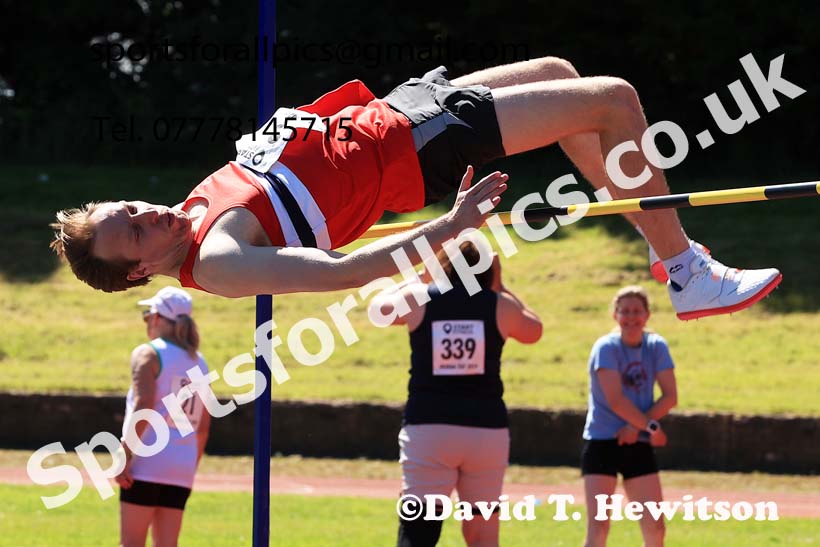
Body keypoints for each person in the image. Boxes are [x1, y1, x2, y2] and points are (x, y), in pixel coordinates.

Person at [51, 58, 780, 320]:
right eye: (135, 231)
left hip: (398, 110)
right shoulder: (216, 258)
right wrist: (453, 225)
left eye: (129, 208)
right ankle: (685, 271)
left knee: (562, 70)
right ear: (142, 270)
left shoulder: (187, 212)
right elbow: (347, 270)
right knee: (614, 101)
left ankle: (667, 253)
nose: (146, 213)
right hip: (417, 146)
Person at [370, 242, 542, 547]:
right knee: (482, 535)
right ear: (488, 270)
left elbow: (377, 310)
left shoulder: (421, 298)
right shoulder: (499, 305)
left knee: (418, 531)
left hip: (430, 429)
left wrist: (420, 279)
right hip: (486, 433)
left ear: (442, 267)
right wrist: (501, 287)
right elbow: (535, 330)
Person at [581, 286, 677, 547]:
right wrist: (649, 426)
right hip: (603, 442)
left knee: (655, 527)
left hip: (638, 442)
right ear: (615, 315)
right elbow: (616, 400)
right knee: (599, 527)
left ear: (647, 315)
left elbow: (670, 396)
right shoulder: (606, 348)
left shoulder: (656, 346)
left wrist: (637, 429)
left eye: (637, 311)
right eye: (624, 311)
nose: (631, 317)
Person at [115, 286, 211, 547]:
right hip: (181, 465)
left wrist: (125, 454)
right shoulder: (198, 361)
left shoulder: (148, 353)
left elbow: (144, 404)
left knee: (132, 543)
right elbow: (202, 427)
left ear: (157, 318)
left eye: (148, 314)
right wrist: (189, 465)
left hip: (147, 462)